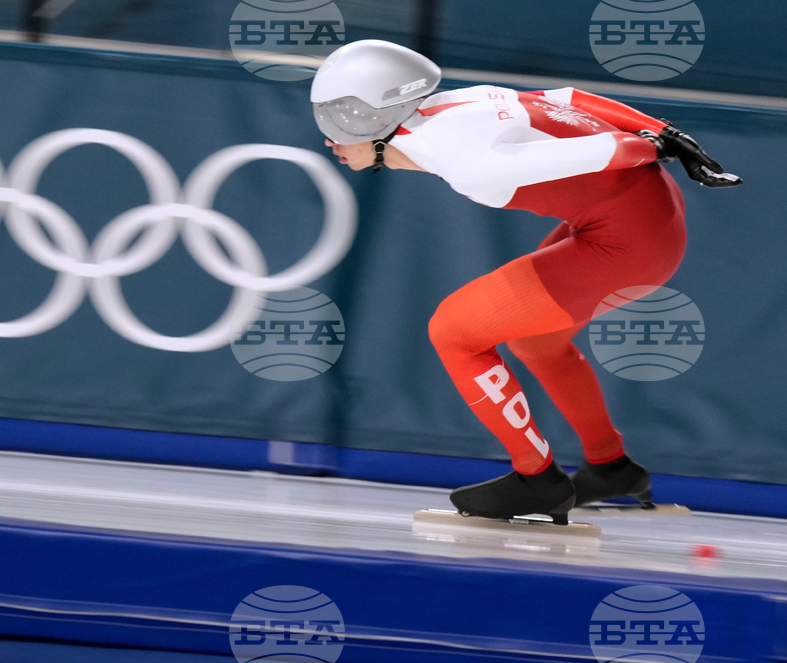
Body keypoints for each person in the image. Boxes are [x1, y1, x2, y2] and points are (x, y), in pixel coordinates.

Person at [310, 40, 741, 524]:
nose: (329, 139)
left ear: (377, 117)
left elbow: (600, 151)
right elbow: (569, 99)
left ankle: (536, 479)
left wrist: (654, 143)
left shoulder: (465, 161)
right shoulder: (448, 105)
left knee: (452, 330)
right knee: (537, 343)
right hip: (639, 218)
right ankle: (610, 465)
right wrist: (671, 134)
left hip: (630, 240)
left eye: (338, 119)